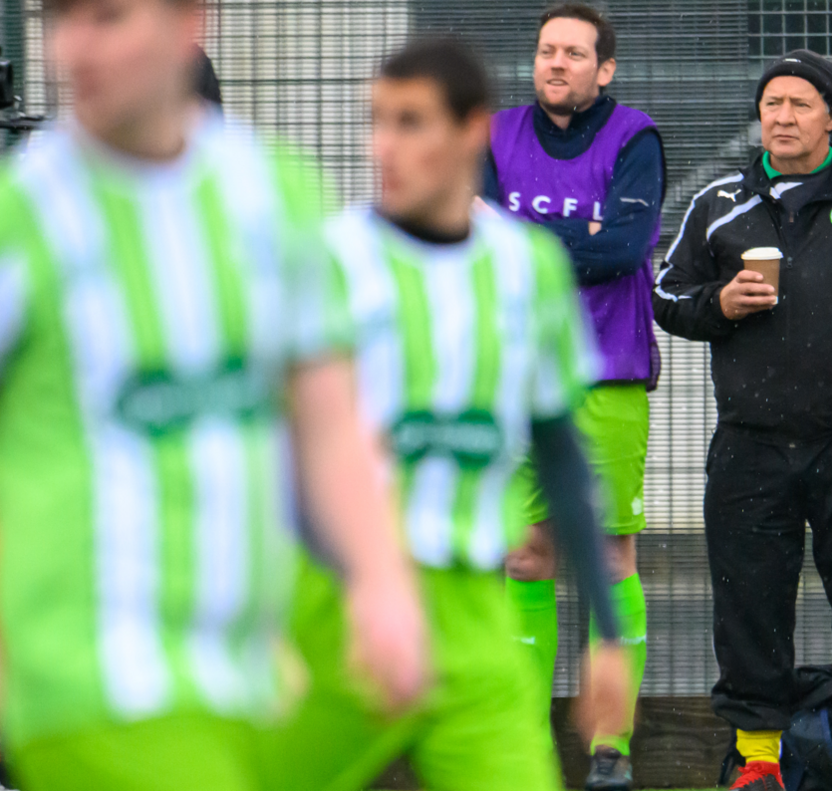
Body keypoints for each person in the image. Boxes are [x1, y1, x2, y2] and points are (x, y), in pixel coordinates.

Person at [0, 0, 429, 789]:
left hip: (241, 678)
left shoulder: (274, 194)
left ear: (189, 20)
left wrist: (381, 581)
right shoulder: (23, 216)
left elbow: (330, 425)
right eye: (63, 18)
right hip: (89, 678)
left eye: (107, 17)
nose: (75, 46)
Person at [257, 38, 630, 791]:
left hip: (469, 612)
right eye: (377, 122)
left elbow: (562, 451)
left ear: (471, 132)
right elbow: (267, 446)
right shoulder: (330, 260)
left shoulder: (529, 267)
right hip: (336, 601)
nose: (384, 146)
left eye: (411, 123)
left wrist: (612, 639)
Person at [653, 49, 832, 791]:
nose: (781, 116)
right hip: (750, 445)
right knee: (750, 601)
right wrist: (719, 304)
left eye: (799, 104)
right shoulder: (719, 202)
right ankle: (757, 760)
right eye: (771, 103)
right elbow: (664, 294)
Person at [483, 5, 664, 789]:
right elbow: (472, 237)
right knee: (524, 553)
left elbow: (626, 244)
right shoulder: (493, 136)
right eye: (546, 51)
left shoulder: (636, 138)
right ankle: (522, 746)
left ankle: (609, 747)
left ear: (605, 69)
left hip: (607, 373)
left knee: (609, 557)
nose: (556, 63)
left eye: (574, 53)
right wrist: (576, 242)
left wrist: (525, 247)